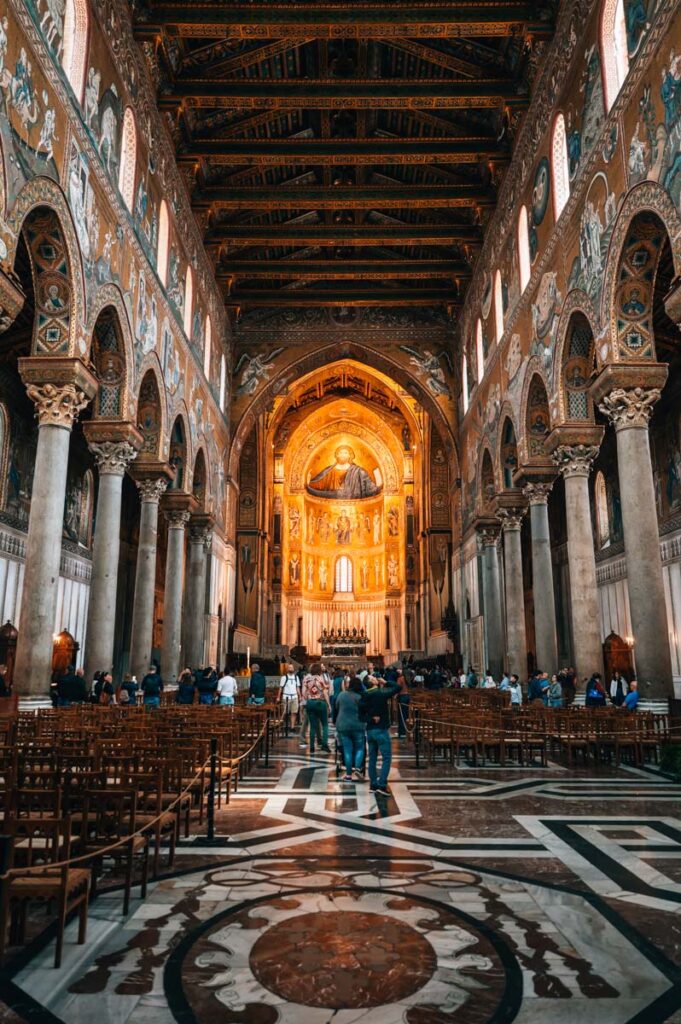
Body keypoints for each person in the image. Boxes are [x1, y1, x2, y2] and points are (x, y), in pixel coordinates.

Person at [359, 675, 399, 796]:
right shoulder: (380, 693)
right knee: (387, 757)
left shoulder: (364, 696)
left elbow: (360, 717)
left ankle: (373, 784)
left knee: (372, 758)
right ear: (371, 682)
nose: (376, 678)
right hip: (381, 730)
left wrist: (371, 719)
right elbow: (397, 687)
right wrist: (386, 682)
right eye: (373, 678)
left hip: (370, 730)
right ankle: (382, 785)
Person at [335, 677, 367, 782]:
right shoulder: (361, 696)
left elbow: (336, 707)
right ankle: (357, 768)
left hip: (343, 725)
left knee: (347, 750)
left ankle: (348, 775)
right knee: (359, 748)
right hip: (358, 725)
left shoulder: (342, 695)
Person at [301, 663, 331, 754]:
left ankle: (312, 747)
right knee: (325, 725)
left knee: (313, 726)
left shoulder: (306, 679)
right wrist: (329, 705)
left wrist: (309, 698)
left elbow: (303, 693)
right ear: (319, 670)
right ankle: (324, 745)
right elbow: (325, 692)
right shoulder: (321, 679)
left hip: (310, 703)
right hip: (320, 702)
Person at [396, 670, 411, 739]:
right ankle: (406, 731)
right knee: (406, 715)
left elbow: (397, 688)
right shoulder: (408, 678)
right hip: (408, 696)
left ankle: (402, 732)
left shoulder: (400, 678)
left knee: (401, 715)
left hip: (402, 697)